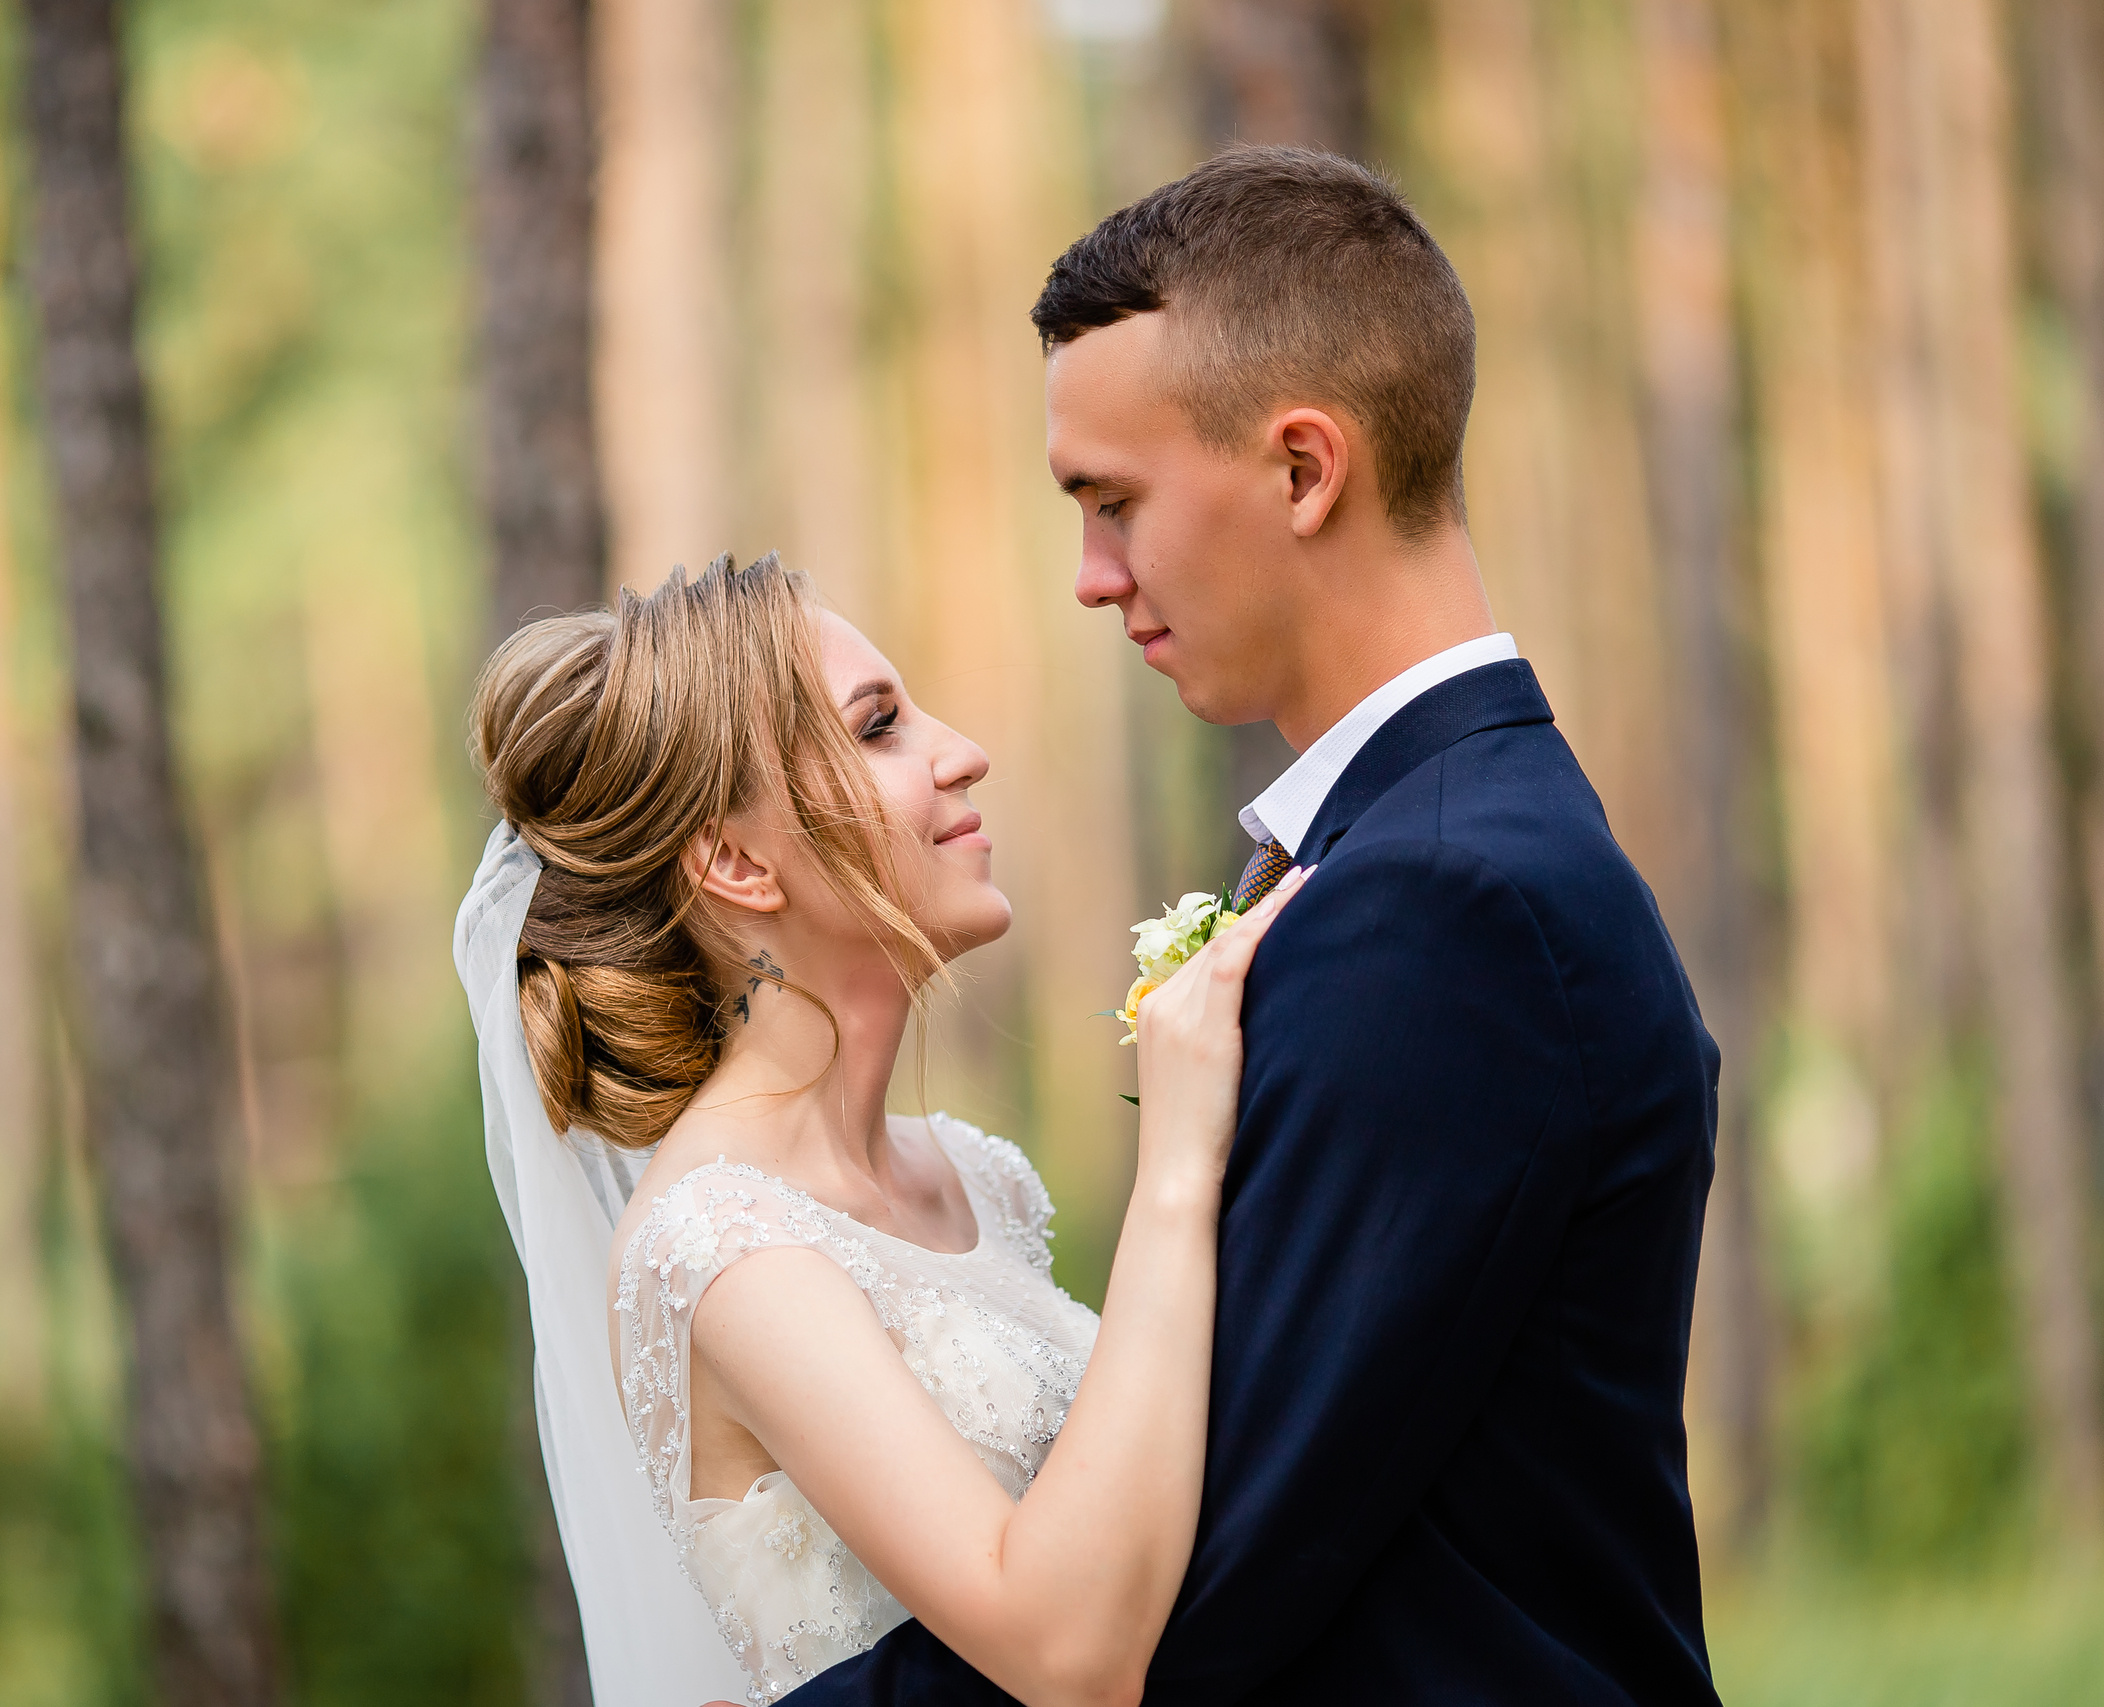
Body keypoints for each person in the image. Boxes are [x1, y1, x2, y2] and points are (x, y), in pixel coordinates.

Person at [786, 145, 1722, 1707]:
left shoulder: (1445, 905)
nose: (1092, 578)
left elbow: (1210, 1564)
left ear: (1302, 470)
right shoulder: (1438, 850)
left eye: (1114, 503)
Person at [458, 550, 1304, 1707]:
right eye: (878, 728)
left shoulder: (977, 1176)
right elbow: (1066, 1653)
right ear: (736, 861)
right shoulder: (720, 1249)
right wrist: (1176, 1165)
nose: (962, 752)